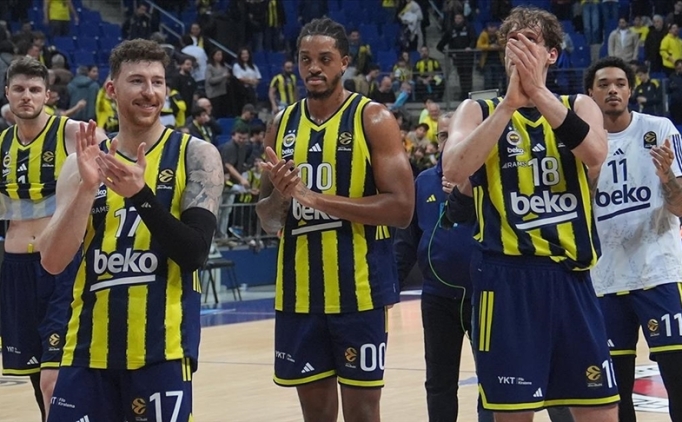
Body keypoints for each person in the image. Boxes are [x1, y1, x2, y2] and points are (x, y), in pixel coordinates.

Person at [441, 6, 619, 421]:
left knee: (599, 410)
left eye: (531, 41)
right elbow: (453, 169)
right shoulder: (477, 110)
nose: (520, 48)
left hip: (571, 279)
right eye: (513, 41)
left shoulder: (580, 104)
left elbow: (595, 154)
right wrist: (508, 105)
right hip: (506, 281)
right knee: (512, 412)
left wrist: (537, 93)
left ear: (552, 54)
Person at [37, 39, 224, 421]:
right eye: (137, 81)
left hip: (162, 349)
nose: (149, 92)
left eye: (157, 82)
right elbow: (53, 261)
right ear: (111, 89)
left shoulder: (196, 154)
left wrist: (140, 195)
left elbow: (194, 254)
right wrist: (87, 190)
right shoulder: (81, 164)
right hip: (86, 348)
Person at [255, 17, 414, 422]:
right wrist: (282, 196)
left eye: (325, 59)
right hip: (298, 295)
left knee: (363, 413)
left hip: (359, 292)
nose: (314, 68)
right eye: (305, 59)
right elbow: (267, 220)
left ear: (344, 62)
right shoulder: (281, 124)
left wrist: (315, 198)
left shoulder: (373, 118)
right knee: (316, 415)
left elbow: (402, 209)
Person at [0, 57, 105, 421]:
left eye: (34, 90)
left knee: (53, 380)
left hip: (62, 267)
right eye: (19, 89)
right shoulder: (2, 144)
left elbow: (115, 166)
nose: (26, 96)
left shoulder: (71, 133)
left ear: (48, 95)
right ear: (7, 94)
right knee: (35, 377)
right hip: (16, 270)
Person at [586, 55, 682, 422]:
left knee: (678, 379)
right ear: (590, 94)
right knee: (615, 393)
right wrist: (591, 176)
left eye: (620, 83)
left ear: (630, 90)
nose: (613, 90)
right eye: (604, 84)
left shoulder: (659, 129)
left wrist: (667, 178)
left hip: (658, 274)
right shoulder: (580, 144)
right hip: (604, 281)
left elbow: (680, 206)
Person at [393, 112, 488, 422]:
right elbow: (406, 242)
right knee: (438, 382)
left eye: (455, 134)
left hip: (484, 296)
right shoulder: (423, 182)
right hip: (437, 297)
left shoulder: (489, 177)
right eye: (443, 136)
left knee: (491, 380)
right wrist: (391, 287)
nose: (449, 142)